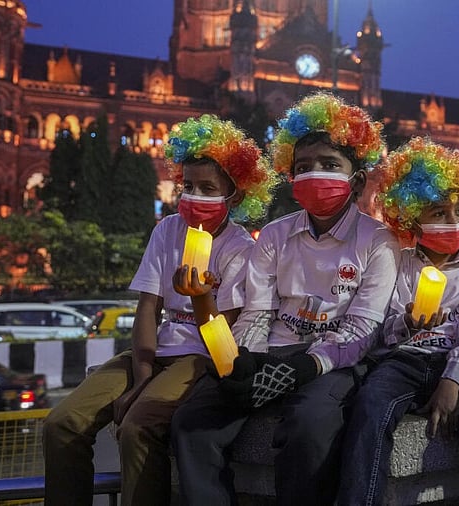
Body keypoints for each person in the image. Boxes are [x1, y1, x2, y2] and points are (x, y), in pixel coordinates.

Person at [171, 93, 399, 506]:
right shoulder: (275, 235)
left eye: (330, 165)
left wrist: (307, 366)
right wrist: (244, 361)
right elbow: (258, 311)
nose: (315, 175)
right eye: (303, 167)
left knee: (309, 429)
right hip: (271, 351)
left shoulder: (378, 241)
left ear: (358, 180)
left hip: (331, 362)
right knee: (192, 422)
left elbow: (363, 329)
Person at [43, 114, 276, 506]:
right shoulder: (167, 230)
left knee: (138, 427)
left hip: (200, 356)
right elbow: (149, 306)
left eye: (207, 188)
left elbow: (221, 334)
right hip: (154, 351)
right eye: (188, 186)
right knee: (62, 423)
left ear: (234, 196)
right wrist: (141, 378)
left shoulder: (241, 248)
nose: (194, 196)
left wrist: (201, 296)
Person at [337, 138, 459, 505]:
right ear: (411, 219)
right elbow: (385, 329)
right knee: (369, 411)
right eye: (438, 213)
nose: (452, 222)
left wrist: (451, 383)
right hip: (403, 361)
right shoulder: (400, 263)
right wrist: (407, 325)